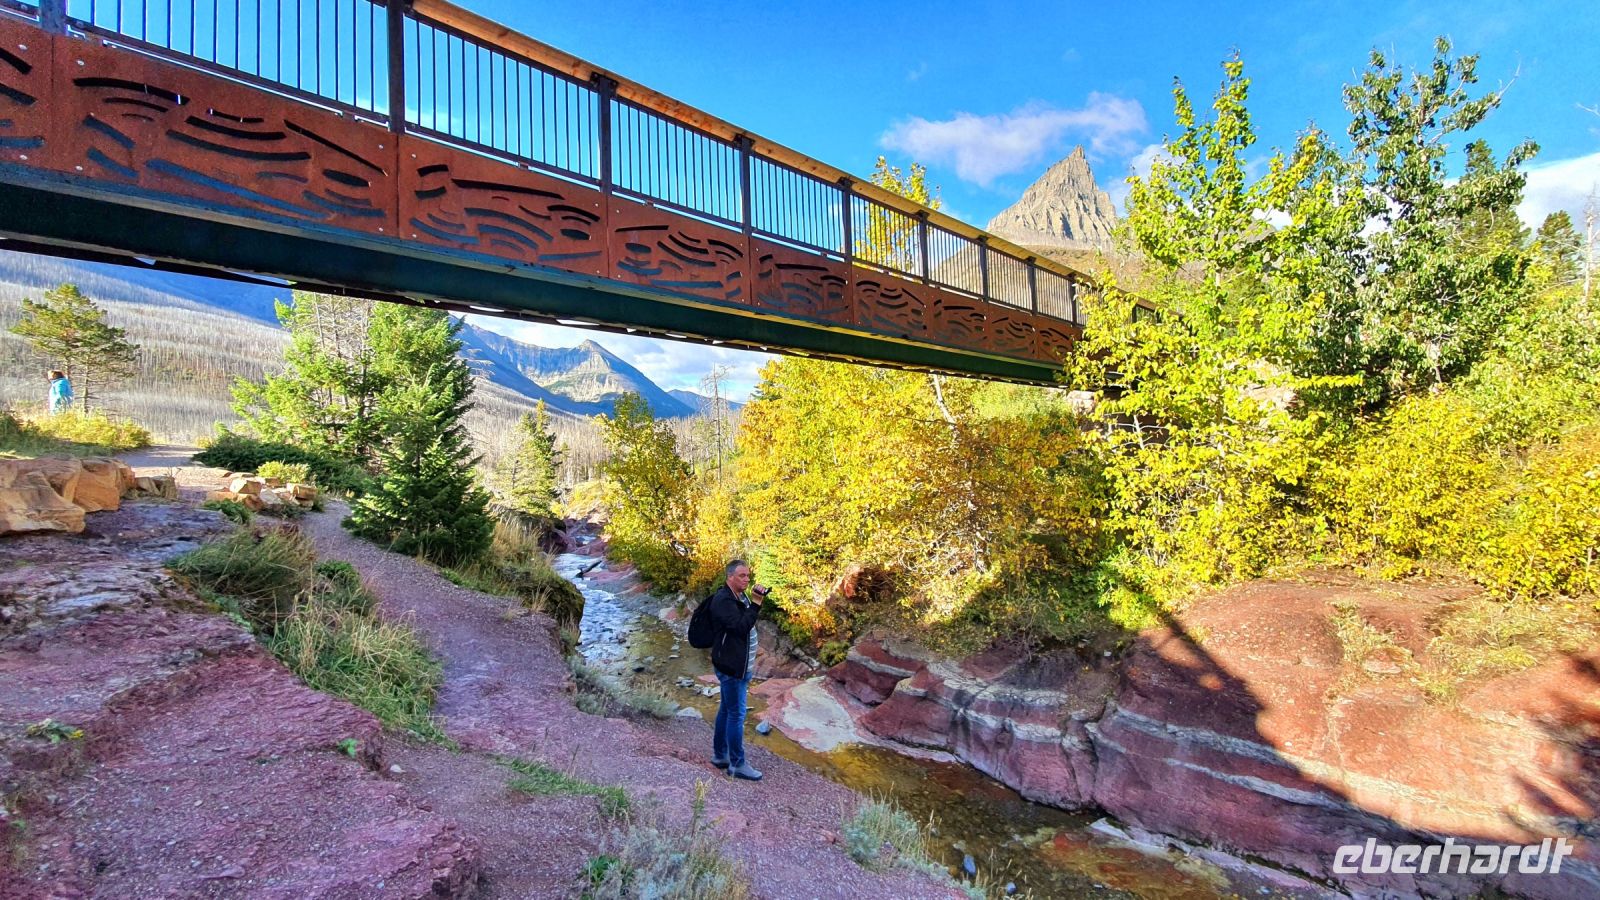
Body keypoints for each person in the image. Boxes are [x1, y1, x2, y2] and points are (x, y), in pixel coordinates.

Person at [707, 558, 769, 781]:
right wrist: (756, 603)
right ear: (730, 576)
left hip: (737, 664)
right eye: (742, 576)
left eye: (748, 575)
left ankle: (720, 756)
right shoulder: (724, 600)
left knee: (726, 709)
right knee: (736, 714)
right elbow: (742, 626)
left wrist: (751, 600)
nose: (747, 579)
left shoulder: (737, 595)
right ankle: (737, 763)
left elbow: (743, 622)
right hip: (732, 668)